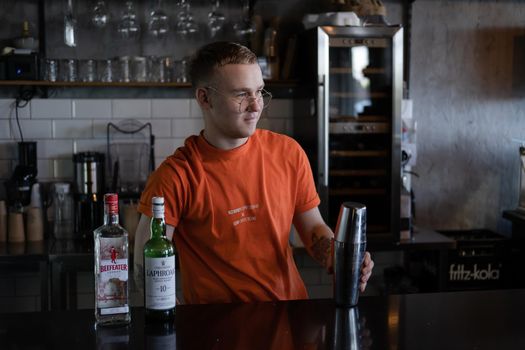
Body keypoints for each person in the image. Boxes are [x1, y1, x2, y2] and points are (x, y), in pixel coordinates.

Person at [133, 41, 374, 304]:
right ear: (204, 98)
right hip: (218, 334)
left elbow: (313, 227)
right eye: (241, 94)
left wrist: (339, 257)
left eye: (259, 92)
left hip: (290, 321)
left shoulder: (287, 153)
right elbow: (145, 269)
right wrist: (182, 324)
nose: (256, 105)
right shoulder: (176, 176)